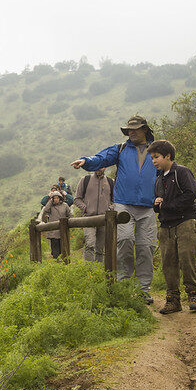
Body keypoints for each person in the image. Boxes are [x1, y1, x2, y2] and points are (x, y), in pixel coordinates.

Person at [70, 115, 157, 304]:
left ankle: (143, 290)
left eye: (135, 129)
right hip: (124, 204)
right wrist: (87, 161)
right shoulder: (121, 149)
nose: (131, 132)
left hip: (148, 206)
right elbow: (102, 157)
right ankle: (124, 285)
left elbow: (166, 170)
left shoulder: (155, 150)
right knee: (125, 239)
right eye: (128, 130)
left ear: (145, 130)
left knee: (146, 248)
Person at [149, 140, 196, 314]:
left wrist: (166, 205)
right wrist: (157, 204)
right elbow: (159, 204)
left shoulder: (182, 172)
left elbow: (191, 194)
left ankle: (193, 296)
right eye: (152, 158)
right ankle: (173, 301)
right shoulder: (158, 179)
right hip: (166, 226)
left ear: (168, 156)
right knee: (168, 263)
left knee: (187, 260)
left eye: (156, 157)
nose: (154, 161)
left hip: (186, 222)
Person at [73, 168, 115, 262]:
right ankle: (89, 270)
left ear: (105, 167)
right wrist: (85, 208)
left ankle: (98, 271)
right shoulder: (85, 179)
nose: (99, 168)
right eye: (97, 165)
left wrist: (110, 209)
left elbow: (116, 200)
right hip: (89, 218)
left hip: (104, 220)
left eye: (102, 166)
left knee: (100, 249)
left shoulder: (110, 182)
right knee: (90, 244)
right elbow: (77, 199)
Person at [39, 191, 72, 259]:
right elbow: (45, 210)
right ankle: (56, 263)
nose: (56, 199)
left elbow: (70, 215)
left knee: (63, 248)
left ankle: (64, 263)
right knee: (55, 249)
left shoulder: (65, 205)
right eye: (54, 198)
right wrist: (50, 201)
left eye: (57, 198)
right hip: (53, 231)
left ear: (60, 198)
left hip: (63, 231)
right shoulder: (50, 206)